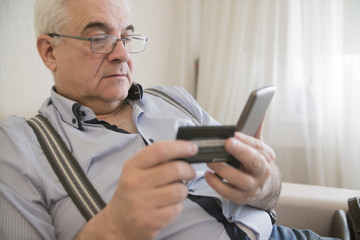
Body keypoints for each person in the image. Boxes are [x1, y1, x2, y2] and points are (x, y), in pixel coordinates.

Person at [0, 0, 337, 239]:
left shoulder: (175, 99)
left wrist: (265, 185)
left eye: (127, 37)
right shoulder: (18, 147)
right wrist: (112, 230)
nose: (122, 54)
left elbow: (267, 193)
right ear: (49, 51)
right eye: (98, 38)